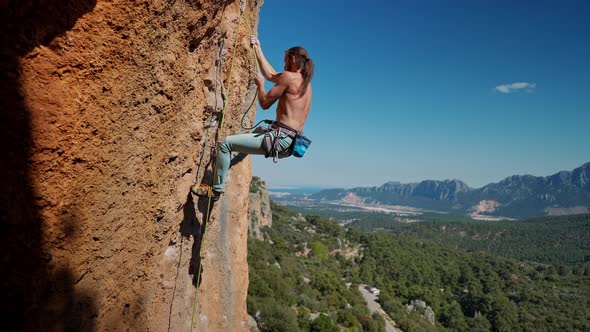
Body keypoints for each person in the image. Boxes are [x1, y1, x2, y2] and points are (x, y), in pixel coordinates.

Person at [191, 36, 314, 201]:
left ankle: (215, 190)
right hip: (290, 141)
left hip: (280, 139)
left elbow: (264, 103)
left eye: (285, 61)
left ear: (292, 59)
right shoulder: (305, 83)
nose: (284, 65)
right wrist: (257, 48)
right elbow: (271, 75)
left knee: (224, 144)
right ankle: (232, 159)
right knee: (256, 132)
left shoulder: (288, 77)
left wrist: (260, 85)